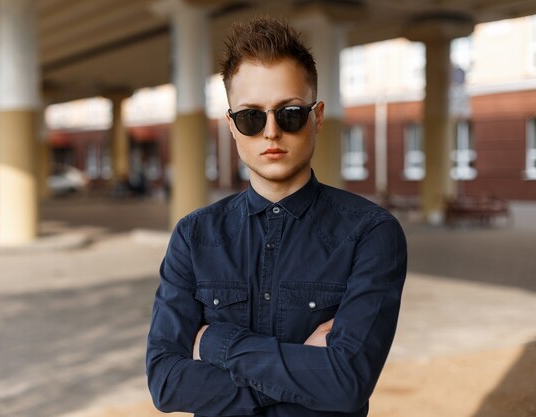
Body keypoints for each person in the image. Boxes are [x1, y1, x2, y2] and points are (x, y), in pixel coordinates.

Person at [146, 17, 407, 417]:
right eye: (251, 116)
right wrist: (307, 376)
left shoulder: (371, 233)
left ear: (317, 117)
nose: (271, 132)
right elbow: (165, 382)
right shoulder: (193, 235)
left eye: (289, 113)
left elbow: (346, 384)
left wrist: (215, 344)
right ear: (232, 126)